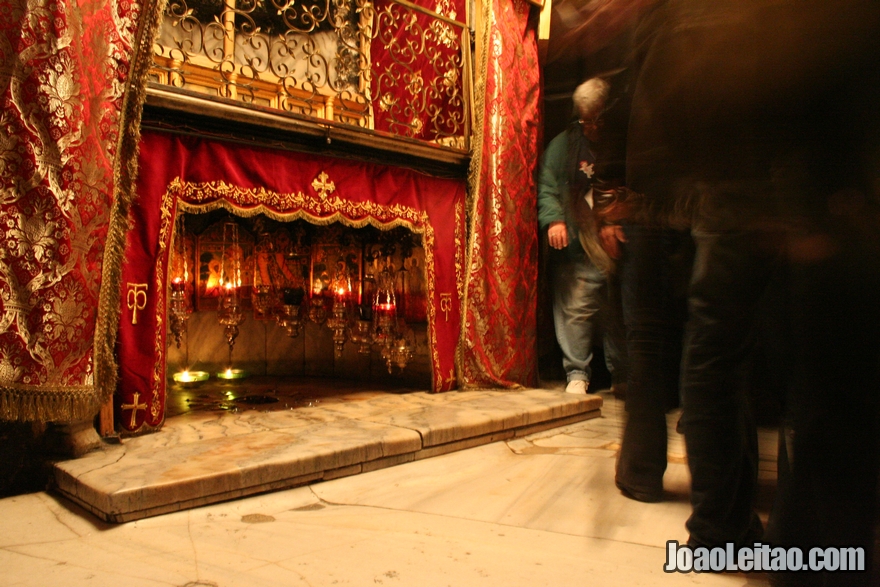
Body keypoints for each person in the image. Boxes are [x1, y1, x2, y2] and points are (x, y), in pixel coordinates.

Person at [620, 1, 880, 582]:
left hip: (730, 176)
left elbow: (654, 77)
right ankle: (807, 551)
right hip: (791, 165)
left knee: (721, 355)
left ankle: (727, 531)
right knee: (822, 367)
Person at [537, 78, 627, 395]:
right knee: (574, 308)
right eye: (584, 119)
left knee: (617, 310)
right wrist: (554, 220)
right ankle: (577, 372)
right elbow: (547, 186)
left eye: (596, 118)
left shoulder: (620, 142)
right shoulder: (564, 145)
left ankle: (623, 376)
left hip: (614, 241)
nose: (590, 126)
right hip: (576, 242)